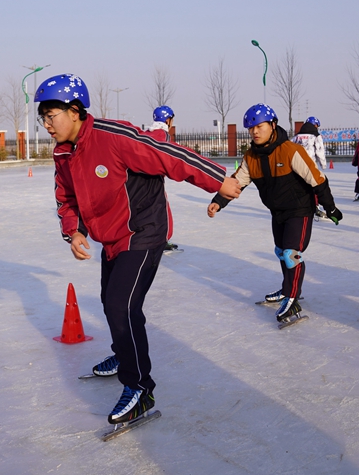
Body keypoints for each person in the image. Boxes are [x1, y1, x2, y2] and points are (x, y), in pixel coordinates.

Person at [36, 74, 240, 425]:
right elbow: (66, 196)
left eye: (51, 116)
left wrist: (217, 178)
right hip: (112, 237)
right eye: (43, 118)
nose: (47, 125)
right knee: (110, 301)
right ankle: (123, 354)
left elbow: (168, 154)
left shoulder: (113, 137)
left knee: (122, 305)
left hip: (144, 231)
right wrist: (74, 230)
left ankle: (140, 388)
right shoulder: (64, 152)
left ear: (75, 111)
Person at [208, 104, 343, 324]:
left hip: (299, 210)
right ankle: (286, 290)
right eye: (251, 128)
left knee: (292, 253)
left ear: (273, 125)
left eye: (259, 126)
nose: (254, 132)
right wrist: (218, 201)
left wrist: (330, 207)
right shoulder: (251, 157)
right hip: (277, 212)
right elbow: (237, 182)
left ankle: (293, 298)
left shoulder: (290, 150)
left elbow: (317, 179)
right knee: (281, 251)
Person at [145, 105, 181, 252]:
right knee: (163, 212)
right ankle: (162, 240)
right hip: (154, 180)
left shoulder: (147, 133)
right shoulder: (163, 135)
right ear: (168, 120)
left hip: (138, 180)